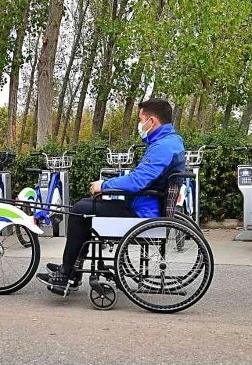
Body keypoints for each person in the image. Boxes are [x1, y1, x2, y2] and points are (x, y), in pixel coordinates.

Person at [38, 98, 185, 293]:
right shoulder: (171, 141)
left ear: (152, 121)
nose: (140, 125)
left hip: (143, 214)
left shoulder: (163, 147)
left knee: (79, 210)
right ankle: (71, 269)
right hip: (145, 205)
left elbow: (137, 181)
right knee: (84, 207)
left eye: (141, 120)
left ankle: (67, 274)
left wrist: (104, 185)